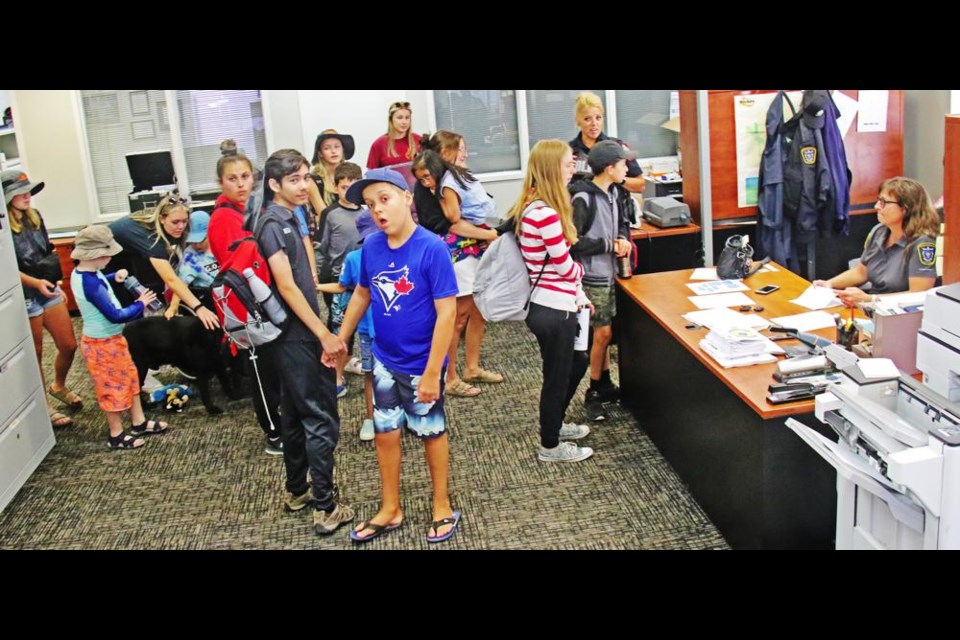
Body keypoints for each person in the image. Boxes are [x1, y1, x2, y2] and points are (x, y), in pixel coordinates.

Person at [336, 167, 461, 544]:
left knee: (430, 431)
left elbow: (448, 314)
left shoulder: (432, 248)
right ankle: (391, 507)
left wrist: (431, 373)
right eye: (371, 205)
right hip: (386, 362)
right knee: (385, 433)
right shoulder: (371, 247)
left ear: (407, 198)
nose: (378, 210)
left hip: (422, 363)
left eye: (385, 199)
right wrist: (340, 339)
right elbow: (362, 294)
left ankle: (441, 503)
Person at [257, 148, 353, 536]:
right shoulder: (270, 224)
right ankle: (325, 507)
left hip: (293, 333)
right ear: (274, 184)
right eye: (293, 179)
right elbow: (286, 286)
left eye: (305, 178)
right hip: (295, 334)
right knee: (319, 418)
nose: (303, 185)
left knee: (295, 415)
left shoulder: (289, 216)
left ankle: (298, 491)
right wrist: (324, 333)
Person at [507, 139, 594, 463]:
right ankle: (550, 445)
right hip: (552, 307)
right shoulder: (544, 213)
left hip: (556, 302)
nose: (573, 169)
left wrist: (578, 294)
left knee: (576, 362)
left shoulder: (537, 207)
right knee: (557, 376)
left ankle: (555, 424)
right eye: (569, 164)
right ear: (551, 169)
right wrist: (580, 274)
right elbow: (564, 264)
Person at [207, 141, 283, 455]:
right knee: (261, 371)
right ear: (220, 183)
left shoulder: (251, 208)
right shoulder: (223, 219)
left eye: (245, 176)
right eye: (232, 179)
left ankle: (282, 421)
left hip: (263, 298)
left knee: (273, 367)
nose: (241, 184)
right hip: (247, 307)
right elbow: (237, 269)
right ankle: (273, 433)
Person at [413, 134, 502, 398]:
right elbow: (451, 222)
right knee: (457, 316)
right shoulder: (432, 185)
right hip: (453, 253)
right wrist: (490, 235)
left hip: (472, 247)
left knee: (478, 310)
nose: (464, 153)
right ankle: (449, 377)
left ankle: (471, 367)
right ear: (443, 153)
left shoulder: (455, 178)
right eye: (458, 149)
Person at [70, 225, 168, 450]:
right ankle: (116, 433)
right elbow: (115, 315)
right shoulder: (90, 283)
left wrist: (114, 276)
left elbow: (100, 283)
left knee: (131, 379)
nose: (109, 259)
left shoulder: (85, 273)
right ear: (97, 255)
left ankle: (138, 421)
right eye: (107, 256)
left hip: (112, 340)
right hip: (101, 344)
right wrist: (140, 303)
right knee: (111, 387)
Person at [4, 169, 81, 427]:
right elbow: (6, 267)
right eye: (20, 193)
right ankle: (44, 407)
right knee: (35, 353)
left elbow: (47, 250)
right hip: (25, 294)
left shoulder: (35, 217)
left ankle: (58, 386)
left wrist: (54, 280)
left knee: (68, 344)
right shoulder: (4, 227)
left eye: (28, 191)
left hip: (47, 288)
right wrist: (36, 282)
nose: (27, 197)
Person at [570, 140, 635, 421]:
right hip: (592, 276)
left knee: (605, 333)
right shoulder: (582, 199)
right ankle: (594, 389)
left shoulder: (616, 193)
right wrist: (610, 244)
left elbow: (622, 223)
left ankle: (605, 380)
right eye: (622, 164)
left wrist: (622, 239)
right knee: (602, 333)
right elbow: (574, 243)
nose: (627, 168)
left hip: (612, 274)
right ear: (609, 168)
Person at [812, 177, 939, 306]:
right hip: (872, 306)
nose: (876, 206)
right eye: (878, 201)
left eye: (883, 202)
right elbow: (861, 272)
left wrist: (870, 300)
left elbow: (919, 294)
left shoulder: (922, 243)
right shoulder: (879, 231)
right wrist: (829, 284)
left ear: (905, 208)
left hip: (899, 314)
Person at [109, 195, 220, 331]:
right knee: (121, 313)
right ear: (162, 219)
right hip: (103, 258)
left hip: (126, 254)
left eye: (184, 221)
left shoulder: (171, 224)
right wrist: (198, 308)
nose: (180, 226)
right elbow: (171, 279)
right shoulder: (151, 239)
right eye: (175, 222)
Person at [316, 209, 378, 442]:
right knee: (370, 374)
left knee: (400, 373)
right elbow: (343, 287)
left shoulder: (397, 252)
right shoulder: (353, 258)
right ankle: (371, 418)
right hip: (367, 329)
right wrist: (317, 287)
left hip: (395, 328)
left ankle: (405, 413)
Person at [317, 162, 365, 398]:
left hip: (364, 278)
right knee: (340, 329)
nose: (348, 192)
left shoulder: (368, 211)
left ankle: (355, 363)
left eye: (353, 186)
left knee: (364, 327)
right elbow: (322, 246)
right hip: (338, 280)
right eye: (344, 187)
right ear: (335, 187)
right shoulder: (330, 214)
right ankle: (335, 377)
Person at [569, 92, 644, 193]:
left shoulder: (617, 146)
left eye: (598, 118)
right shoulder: (568, 151)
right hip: (580, 205)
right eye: (587, 119)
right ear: (578, 121)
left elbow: (641, 185)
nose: (594, 124)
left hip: (613, 205)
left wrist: (618, 178)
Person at [168, 210, 218, 317]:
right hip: (208, 301)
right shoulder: (191, 256)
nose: (196, 245)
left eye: (200, 241)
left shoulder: (222, 245)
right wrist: (173, 307)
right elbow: (180, 284)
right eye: (193, 241)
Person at [366, 101, 422, 169]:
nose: (404, 122)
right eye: (400, 118)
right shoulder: (379, 144)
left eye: (407, 118)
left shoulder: (418, 140)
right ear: (391, 119)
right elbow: (371, 174)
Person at [309, 129, 355, 211]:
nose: (333, 151)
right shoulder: (313, 180)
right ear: (320, 153)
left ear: (342, 149)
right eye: (327, 148)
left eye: (337, 146)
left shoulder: (352, 175)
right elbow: (323, 214)